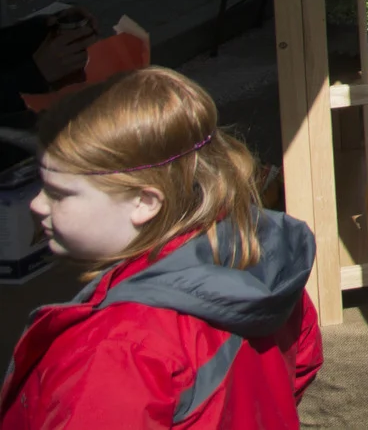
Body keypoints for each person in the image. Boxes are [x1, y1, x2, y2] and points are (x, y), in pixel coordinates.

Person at [7, 68, 321, 427]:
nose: (37, 204)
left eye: (59, 194)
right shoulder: (259, 260)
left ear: (144, 201)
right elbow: (301, 362)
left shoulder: (117, 350)